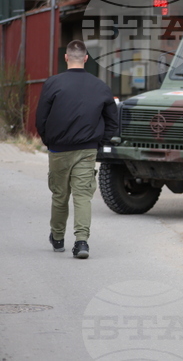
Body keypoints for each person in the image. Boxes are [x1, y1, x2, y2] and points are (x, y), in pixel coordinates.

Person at [36, 40, 119, 259]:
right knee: (83, 196)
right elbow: (112, 121)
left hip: (58, 150)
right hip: (87, 150)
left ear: (66, 57)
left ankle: (58, 238)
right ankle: (82, 243)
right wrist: (99, 144)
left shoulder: (52, 84)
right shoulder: (100, 86)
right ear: (85, 58)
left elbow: (40, 119)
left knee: (60, 195)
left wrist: (49, 140)